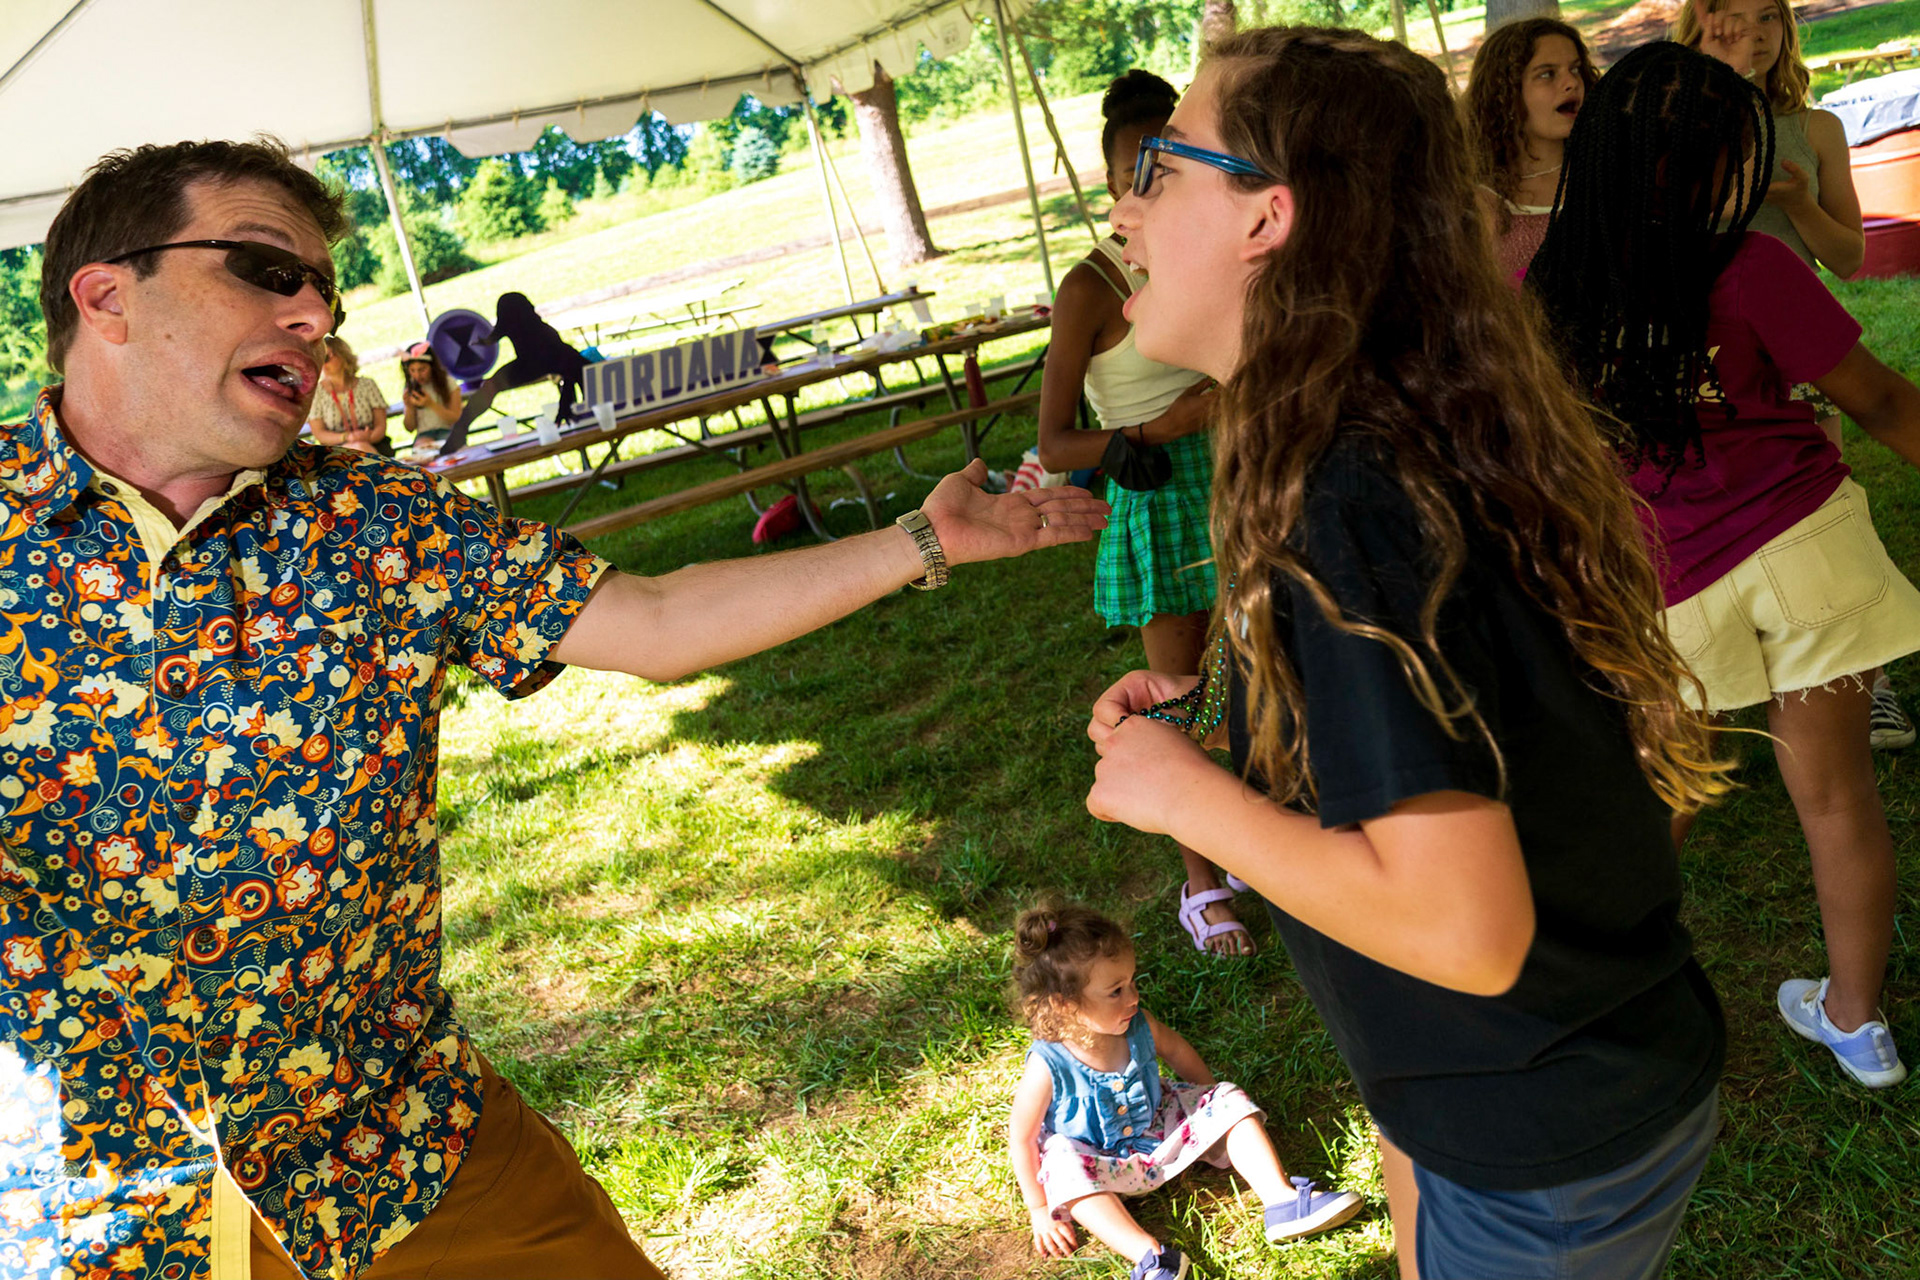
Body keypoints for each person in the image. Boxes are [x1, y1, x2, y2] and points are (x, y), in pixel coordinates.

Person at [0, 137, 1105, 1280]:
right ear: (106, 295)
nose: (312, 317)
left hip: (408, 1149)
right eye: (270, 272)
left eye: (324, 293)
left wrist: (921, 539)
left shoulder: (378, 519)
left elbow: (655, 619)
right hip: (103, 1213)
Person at [1088, 29, 1734, 1279]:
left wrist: (1193, 801)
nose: (1125, 206)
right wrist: (1219, 708)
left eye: (1161, 168)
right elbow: (1464, 712)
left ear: (1268, 216)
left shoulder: (1347, 497)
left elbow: (1465, 927)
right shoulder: (1388, 427)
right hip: (1546, 1087)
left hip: (1538, 1136)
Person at [1531, 41, 1920, 1091]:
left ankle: (1593, 1009)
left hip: (1666, 584)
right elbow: (1883, 401)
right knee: (1837, 798)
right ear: (1721, 167)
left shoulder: (1539, 287)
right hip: (1809, 553)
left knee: (1658, 801)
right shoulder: (1751, 267)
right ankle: (1856, 1018)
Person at [1034, 70, 1250, 958]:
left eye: (1168, 162)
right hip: (1157, 486)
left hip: (1237, 472)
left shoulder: (1215, 246)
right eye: (1134, 170)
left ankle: (1265, 831)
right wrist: (1151, 430)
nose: (1148, 183)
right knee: (1182, 692)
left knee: (1265, 665)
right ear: (1110, 181)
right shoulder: (1090, 286)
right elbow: (1052, 444)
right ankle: (1202, 881)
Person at [1677, 0, 1915, 750]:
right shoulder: (1674, 116)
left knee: (1823, 503)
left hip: (1800, 350)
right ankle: (1720, 678)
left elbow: (1847, 257)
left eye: (1768, 17)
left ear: (1787, 29)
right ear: (1700, 25)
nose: (1752, 31)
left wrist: (1798, 202)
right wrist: (1719, 84)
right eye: (1731, 15)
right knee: (1716, 503)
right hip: (1707, 355)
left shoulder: (1816, 129)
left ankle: (1867, 683)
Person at [1006, 900, 1362, 1279]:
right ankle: (1153, 1258)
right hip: (1093, 1156)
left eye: (1132, 982)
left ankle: (1281, 1200)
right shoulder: (1048, 1063)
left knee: (1226, 1097)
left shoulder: (1138, 1023)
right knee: (1060, 1165)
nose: (1133, 997)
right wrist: (1039, 1209)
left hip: (1160, 1125)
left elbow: (1177, 1051)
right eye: (1116, 991)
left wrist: (1211, 1112)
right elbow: (1022, 1137)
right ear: (1065, 1005)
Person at [1460, 18, 1599, 280]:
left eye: (1576, 69)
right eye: (1547, 74)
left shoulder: (1606, 171)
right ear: (1506, 94)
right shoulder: (1481, 201)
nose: (1571, 82)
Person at [435, 291, 587, 457]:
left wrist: (567, 403)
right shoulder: (513, 323)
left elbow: (567, 367)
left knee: (491, 386)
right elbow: (496, 334)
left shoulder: (543, 333)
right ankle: (459, 431)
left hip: (549, 361)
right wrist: (483, 342)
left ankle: (587, 417)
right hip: (528, 365)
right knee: (489, 387)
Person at [306, 333, 392, 455]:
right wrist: (348, 438)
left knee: (360, 447)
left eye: (326, 358)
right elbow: (319, 434)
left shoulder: (367, 385)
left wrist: (365, 439)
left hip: (373, 444)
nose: (322, 363)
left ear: (341, 355)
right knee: (358, 448)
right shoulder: (317, 392)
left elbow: (380, 426)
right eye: (317, 358)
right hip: (336, 450)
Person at [398, 338, 464, 461]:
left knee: (450, 451)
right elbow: (410, 427)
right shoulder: (411, 387)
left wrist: (431, 404)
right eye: (412, 370)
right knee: (422, 454)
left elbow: (455, 417)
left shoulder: (448, 383)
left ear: (432, 367)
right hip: (425, 434)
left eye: (422, 369)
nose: (417, 375)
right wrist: (409, 407)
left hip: (448, 430)